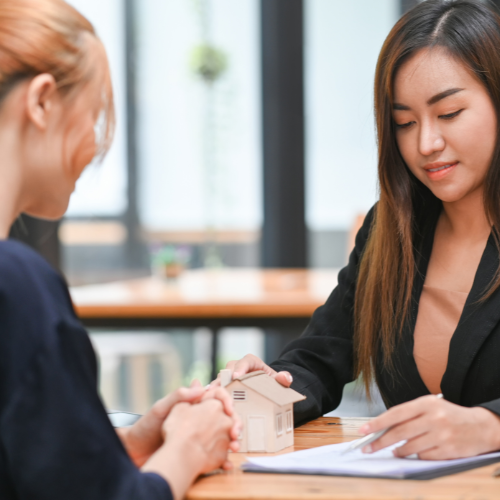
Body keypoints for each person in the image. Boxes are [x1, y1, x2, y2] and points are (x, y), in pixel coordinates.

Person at [215, 0, 500, 461]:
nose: (426, 143)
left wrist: (490, 427)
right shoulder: (393, 230)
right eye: (404, 122)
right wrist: (266, 389)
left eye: (449, 113)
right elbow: (319, 358)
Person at [0, 1, 241, 499]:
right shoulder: (16, 285)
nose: (94, 145)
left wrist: (122, 443)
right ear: (42, 101)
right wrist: (188, 448)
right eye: (94, 115)